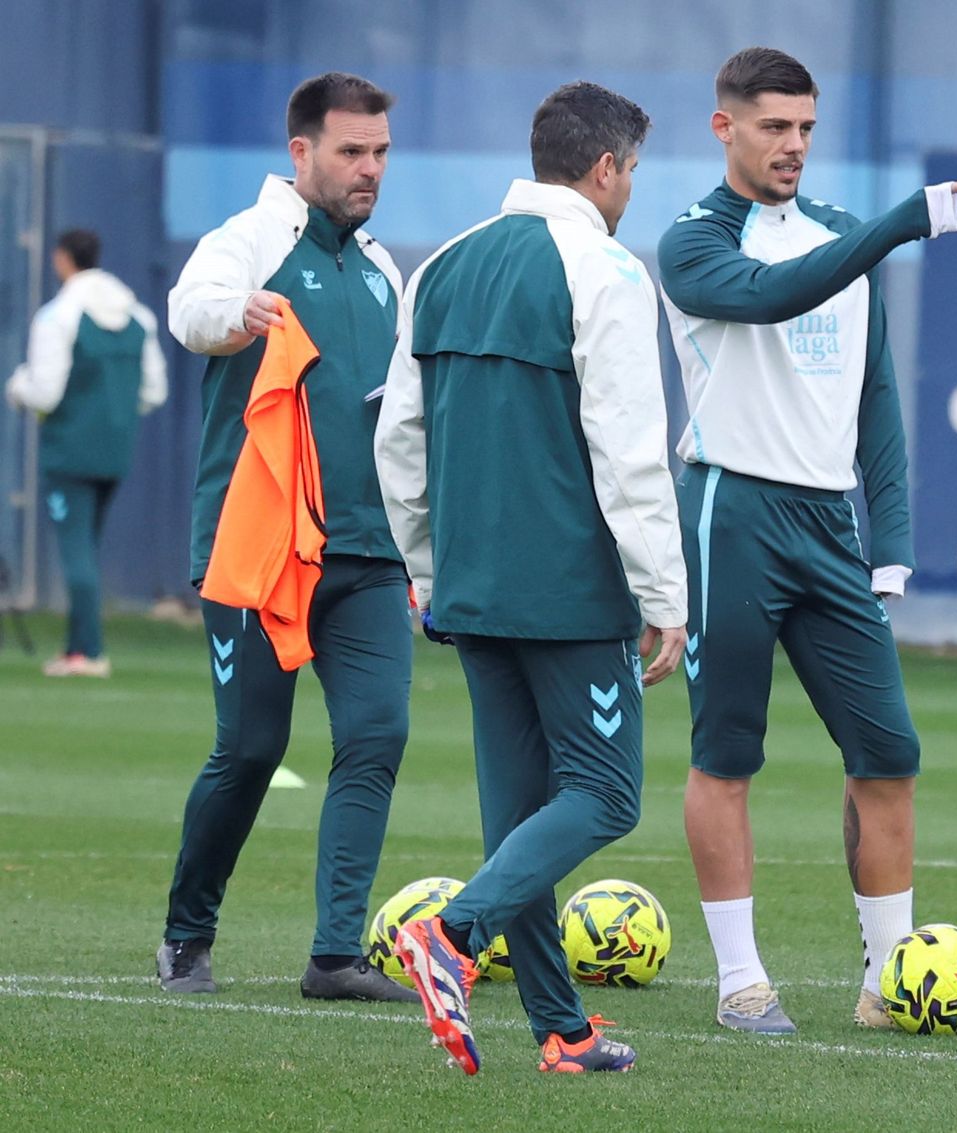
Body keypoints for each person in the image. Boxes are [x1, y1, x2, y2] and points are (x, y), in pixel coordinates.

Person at [656, 45, 957, 1036]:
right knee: (726, 752)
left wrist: (890, 537)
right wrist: (901, 224)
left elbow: (874, 391)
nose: (794, 144)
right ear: (724, 128)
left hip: (827, 524)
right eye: (774, 126)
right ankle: (741, 980)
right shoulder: (690, 241)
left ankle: (892, 982)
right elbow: (771, 293)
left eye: (806, 127)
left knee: (887, 750)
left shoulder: (843, 235)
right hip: (731, 511)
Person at [375, 80, 688, 1077]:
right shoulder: (607, 270)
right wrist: (665, 596)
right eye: (631, 170)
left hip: (470, 585)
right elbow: (630, 453)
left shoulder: (442, 265)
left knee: (519, 815)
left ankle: (563, 1028)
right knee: (605, 794)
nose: (630, 188)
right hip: (570, 590)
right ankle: (452, 934)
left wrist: (426, 568)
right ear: (605, 168)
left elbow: (398, 439)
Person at [158, 72, 415, 1003]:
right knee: (252, 749)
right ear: (301, 151)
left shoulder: (385, 271)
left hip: (369, 554)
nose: (369, 168)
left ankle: (336, 954)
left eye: (380, 151)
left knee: (377, 736)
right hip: (259, 551)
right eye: (351, 151)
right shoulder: (250, 241)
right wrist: (241, 312)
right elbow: (190, 310)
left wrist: (421, 544)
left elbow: (402, 420)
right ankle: (186, 934)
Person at [6, 229, 167, 676]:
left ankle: (88, 652)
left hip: (68, 451)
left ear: (62, 258)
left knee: (76, 551)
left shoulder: (57, 316)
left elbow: (45, 391)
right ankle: (77, 647)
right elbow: (154, 390)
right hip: (115, 450)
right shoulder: (138, 315)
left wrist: (17, 387)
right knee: (87, 547)